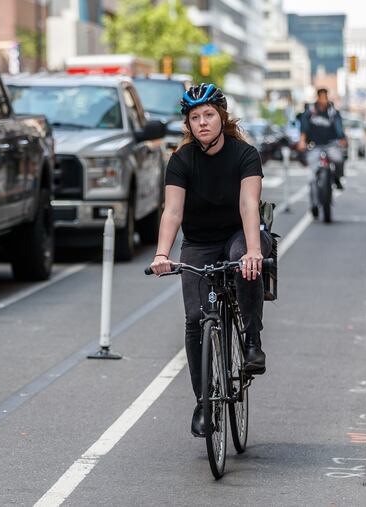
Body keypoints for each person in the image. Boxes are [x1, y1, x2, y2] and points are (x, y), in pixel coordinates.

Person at [149, 83, 271, 438]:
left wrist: (253, 250)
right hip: (200, 242)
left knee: (243, 264)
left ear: (222, 117)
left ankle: (251, 342)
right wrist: (161, 253)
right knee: (194, 318)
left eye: (209, 115)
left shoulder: (244, 154)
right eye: (195, 117)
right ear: (189, 124)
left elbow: (249, 204)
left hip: (239, 235)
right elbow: (172, 211)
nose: (202, 122)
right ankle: (204, 404)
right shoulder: (182, 159)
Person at [297, 89, 347, 215]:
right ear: (318, 98)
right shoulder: (310, 111)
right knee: (312, 178)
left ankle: (337, 178)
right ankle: (314, 205)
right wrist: (302, 141)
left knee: (339, 160)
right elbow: (304, 126)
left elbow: (339, 126)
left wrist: (342, 139)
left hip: (331, 145)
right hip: (314, 146)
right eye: (322, 97)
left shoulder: (332, 112)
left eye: (326, 97)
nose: (324, 100)